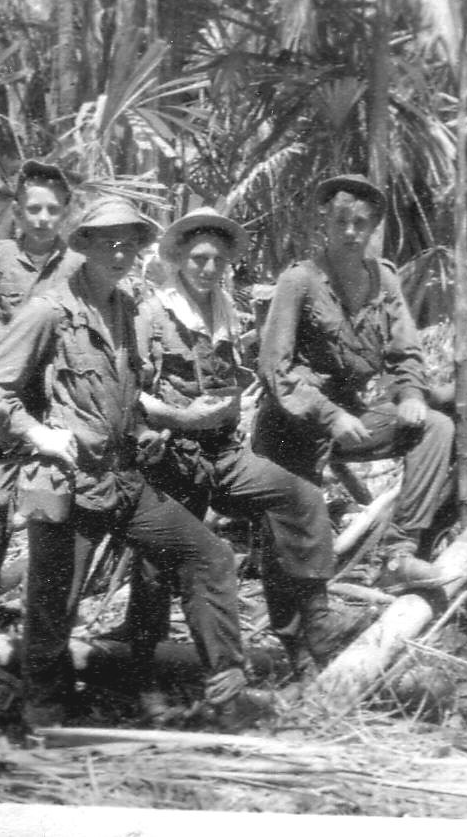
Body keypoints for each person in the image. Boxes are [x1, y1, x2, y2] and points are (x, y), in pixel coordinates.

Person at [0, 197, 270, 730]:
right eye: (107, 241)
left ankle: (226, 690)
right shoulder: (48, 311)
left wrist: (152, 425)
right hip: (69, 483)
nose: (120, 251)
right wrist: (37, 432)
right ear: (82, 246)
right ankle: (45, 712)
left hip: (124, 477)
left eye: (129, 242)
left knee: (210, 556)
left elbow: (127, 394)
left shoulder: (126, 308)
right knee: (53, 606)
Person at [127, 207, 342, 700]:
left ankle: (314, 631)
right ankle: (144, 678)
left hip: (223, 455)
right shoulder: (152, 315)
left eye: (218, 260)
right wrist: (177, 418)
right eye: (199, 258)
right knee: (157, 568)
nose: (208, 268)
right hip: (171, 457)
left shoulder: (226, 312)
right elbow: (129, 393)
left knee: (300, 498)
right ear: (179, 259)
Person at [253, 174, 454, 588]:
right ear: (323, 223)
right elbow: (275, 367)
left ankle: (396, 555)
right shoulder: (300, 280)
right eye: (341, 221)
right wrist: (330, 416)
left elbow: (405, 352)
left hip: (353, 417)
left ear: (373, 227)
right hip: (292, 425)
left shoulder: (383, 279)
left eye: (360, 223)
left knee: (436, 426)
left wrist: (412, 392)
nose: (350, 232)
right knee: (302, 561)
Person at [0, 159, 81, 599]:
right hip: (1, 401)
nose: (43, 218)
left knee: (53, 508)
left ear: (65, 212)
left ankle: (43, 608)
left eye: (53, 209)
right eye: (34, 209)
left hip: (57, 401)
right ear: (18, 211)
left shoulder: (79, 265)